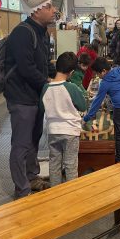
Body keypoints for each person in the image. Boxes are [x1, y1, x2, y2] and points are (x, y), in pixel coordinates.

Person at [4, 0, 56, 198]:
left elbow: (43, 64)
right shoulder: (22, 33)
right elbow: (26, 69)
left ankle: (33, 176)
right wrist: (47, 82)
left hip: (36, 97)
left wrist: (58, 75)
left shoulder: (42, 32)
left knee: (34, 138)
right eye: (50, 7)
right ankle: (21, 188)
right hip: (21, 98)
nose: (54, 10)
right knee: (21, 143)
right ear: (37, 10)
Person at [41, 52, 86, 186]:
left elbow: (41, 107)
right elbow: (83, 106)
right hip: (70, 132)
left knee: (54, 163)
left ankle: (55, 194)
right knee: (70, 164)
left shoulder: (45, 88)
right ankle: (70, 196)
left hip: (53, 131)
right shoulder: (71, 87)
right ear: (71, 72)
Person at [83, 57, 120, 162]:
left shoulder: (105, 82)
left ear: (104, 71)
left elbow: (97, 102)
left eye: (98, 74)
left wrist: (87, 118)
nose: (98, 77)